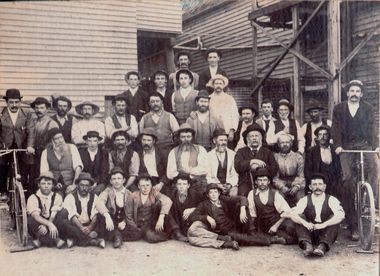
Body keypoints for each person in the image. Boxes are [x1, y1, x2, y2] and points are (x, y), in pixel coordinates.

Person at [331, 80, 379, 240]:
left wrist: (375, 146)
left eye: (358, 91)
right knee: (348, 180)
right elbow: (335, 128)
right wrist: (337, 145)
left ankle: (370, 199)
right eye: (352, 91)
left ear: (361, 94)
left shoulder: (368, 108)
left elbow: (373, 127)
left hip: (364, 145)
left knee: (375, 165)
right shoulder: (339, 108)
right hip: (346, 147)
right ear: (347, 93)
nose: (354, 94)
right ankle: (353, 225)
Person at [187, 183, 286, 250]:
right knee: (245, 239)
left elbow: (243, 198)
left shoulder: (223, 199)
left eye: (215, 192)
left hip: (235, 224)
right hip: (226, 231)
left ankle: (252, 231)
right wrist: (206, 217)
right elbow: (192, 217)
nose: (213, 195)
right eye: (211, 193)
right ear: (207, 195)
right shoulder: (204, 205)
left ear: (219, 193)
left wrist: (242, 209)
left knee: (241, 205)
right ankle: (273, 240)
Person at [290, 173, 345, 257]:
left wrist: (324, 225)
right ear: (310, 187)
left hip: (325, 233)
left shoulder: (331, 199)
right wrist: (305, 223)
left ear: (324, 186)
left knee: (334, 218)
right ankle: (308, 246)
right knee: (299, 217)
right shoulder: (305, 200)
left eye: (320, 184)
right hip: (309, 232)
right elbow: (292, 214)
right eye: (314, 184)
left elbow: (341, 215)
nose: (317, 187)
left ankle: (322, 247)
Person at [0, 89, 35, 200]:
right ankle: (3, 191)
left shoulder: (27, 114)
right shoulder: (1, 114)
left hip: (22, 147)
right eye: (11, 102)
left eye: (16, 102)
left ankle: (23, 193)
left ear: (20, 102)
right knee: (1, 167)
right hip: (5, 146)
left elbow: (31, 131)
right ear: (7, 103)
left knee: (25, 168)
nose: (14, 105)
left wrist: (30, 146)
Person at [95, 167, 143, 248]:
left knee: (138, 233)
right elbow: (99, 202)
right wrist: (107, 216)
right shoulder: (107, 191)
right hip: (111, 221)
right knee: (101, 217)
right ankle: (117, 237)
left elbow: (131, 212)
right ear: (110, 181)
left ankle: (115, 236)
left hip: (123, 222)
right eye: (114, 179)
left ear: (123, 180)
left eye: (119, 178)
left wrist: (124, 222)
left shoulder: (129, 194)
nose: (116, 181)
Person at [248, 168, 297, 245]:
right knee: (288, 239)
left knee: (291, 230)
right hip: (264, 226)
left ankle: (276, 237)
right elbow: (252, 214)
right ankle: (274, 239)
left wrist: (276, 226)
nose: (262, 183)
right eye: (260, 180)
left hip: (279, 222)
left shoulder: (275, 194)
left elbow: (287, 212)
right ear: (256, 182)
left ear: (268, 181)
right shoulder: (252, 194)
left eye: (264, 180)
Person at [56, 172, 105, 248]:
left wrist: (90, 228)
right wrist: (82, 228)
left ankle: (75, 239)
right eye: (82, 185)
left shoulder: (94, 197)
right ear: (77, 185)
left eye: (87, 185)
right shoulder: (70, 197)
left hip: (90, 225)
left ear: (90, 187)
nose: (84, 188)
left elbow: (96, 215)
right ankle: (92, 241)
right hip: (76, 226)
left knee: (104, 216)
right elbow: (72, 216)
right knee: (63, 221)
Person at [124, 173, 172, 243]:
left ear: (151, 185)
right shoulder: (132, 196)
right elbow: (128, 216)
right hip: (138, 224)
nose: (145, 188)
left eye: (147, 185)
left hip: (150, 223)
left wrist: (161, 217)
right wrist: (135, 228)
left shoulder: (154, 193)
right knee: (134, 234)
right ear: (138, 186)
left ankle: (168, 234)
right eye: (143, 185)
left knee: (151, 237)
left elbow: (167, 200)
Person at [234, 123, 278, 197]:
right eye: (251, 136)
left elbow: (274, 169)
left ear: (261, 138)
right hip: (246, 184)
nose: (254, 138)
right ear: (247, 139)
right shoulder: (241, 151)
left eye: (257, 136)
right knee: (242, 199)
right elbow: (238, 166)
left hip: (264, 183)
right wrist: (251, 162)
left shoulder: (268, 152)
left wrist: (260, 167)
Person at [27, 171, 65, 248]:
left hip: (53, 222)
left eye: (49, 184)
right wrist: (48, 224)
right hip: (40, 222)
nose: (46, 186)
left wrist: (48, 225)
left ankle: (40, 240)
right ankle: (55, 240)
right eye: (43, 184)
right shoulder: (33, 197)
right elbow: (35, 216)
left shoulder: (57, 197)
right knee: (30, 221)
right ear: (39, 185)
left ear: (53, 185)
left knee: (63, 214)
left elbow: (54, 215)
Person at [167, 123, 209, 194]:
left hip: (198, 183)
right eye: (183, 137)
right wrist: (184, 178)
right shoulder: (173, 152)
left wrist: (189, 171)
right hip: (180, 184)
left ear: (192, 137)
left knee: (202, 196)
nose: (186, 140)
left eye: (188, 136)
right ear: (179, 138)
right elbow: (170, 174)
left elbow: (205, 169)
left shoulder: (200, 149)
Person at [40, 128, 83, 195]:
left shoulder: (72, 148)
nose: (60, 141)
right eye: (57, 139)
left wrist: (74, 184)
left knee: (71, 198)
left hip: (71, 184)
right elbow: (44, 172)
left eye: (61, 137)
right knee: (57, 198)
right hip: (55, 187)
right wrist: (54, 183)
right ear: (52, 141)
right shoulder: (45, 152)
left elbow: (78, 168)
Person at [31, 97, 59, 192]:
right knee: (33, 179)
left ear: (47, 109)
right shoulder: (34, 122)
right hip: (34, 156)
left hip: (46, 155)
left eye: (42, 108)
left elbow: (55, 143)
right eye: (37, 108)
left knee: (45, 179)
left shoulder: (52, 124)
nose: (39, 110)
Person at [304, 125, 341, 198]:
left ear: (329, 136)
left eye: (325, 134)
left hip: (334, 182)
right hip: (318, 181)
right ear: (317, 137)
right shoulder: (311, 151)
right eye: (320, 135)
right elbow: (307, 171)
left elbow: (339, 169)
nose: (322, 137)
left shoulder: (335, 149)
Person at [139, 92, 179, 157]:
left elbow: (176, 133)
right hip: (150, 151)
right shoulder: (144, 118)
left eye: (157, 101)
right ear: (149, 103)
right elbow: (141, 134)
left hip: (166, 149)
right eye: (152, 102)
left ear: (162, 102)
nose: (155, 104)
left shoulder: (169, 116)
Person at [167, 173, 203, 242]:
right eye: (179, 184)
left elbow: (204, 205)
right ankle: (177, 233)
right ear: (176, 185)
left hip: (190, 223)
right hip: (178, 223)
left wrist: (193, 209)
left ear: (188, 185)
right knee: (166, 208)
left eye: (184, 184)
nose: (181, 186)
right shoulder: (172, 196)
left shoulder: (195, 195)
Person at [273, 134, 305, 207]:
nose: (285, 144)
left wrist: (296, 186)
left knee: (300, 199)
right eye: (282, 142)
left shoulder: (298, 157)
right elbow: (275, 176)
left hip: (296, 183)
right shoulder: (275, 157)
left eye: (287, 142)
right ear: (278, 144)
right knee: (279, 199)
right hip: (280, 184)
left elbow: (301, 175)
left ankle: (299, 217)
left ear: (291, 144)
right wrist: (281, 187)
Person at [137, 128, 171, 195]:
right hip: (144, 183)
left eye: (149, 140)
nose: (146, 143)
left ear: (154, 141)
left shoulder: (162, 153)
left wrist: (161, 184)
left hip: (160, 182)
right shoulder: (138, 155)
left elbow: (167, 171)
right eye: (144, 140)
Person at [208, 75, 239, 145]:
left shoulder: (229, 98)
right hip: (213, 131)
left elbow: (234, 115)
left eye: (220, 83)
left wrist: (232, 131)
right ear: (213, 85)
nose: (218, 85)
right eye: (216, 83)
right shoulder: (209, 98)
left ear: (223, 85)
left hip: (227, 131)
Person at [207, 129, 239, 196]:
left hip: (229, 184)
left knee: (234, 193)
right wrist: (217, 185)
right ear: (214, 141)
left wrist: (229, 185)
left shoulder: (233, 154)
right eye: (221, 140)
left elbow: (235, 173)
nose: (223, 142)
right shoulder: (208, 156)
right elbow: (208, 175)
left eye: (225, 140)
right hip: (215, 184)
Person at [79, 131, 109, 195]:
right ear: (86, 142)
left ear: (98, 142)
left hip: (100, 181)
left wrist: (95, 183)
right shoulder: (81, 153)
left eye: (95, 141)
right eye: (89, 141)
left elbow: (104, 172)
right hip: (85, 181)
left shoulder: (104, 153)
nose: (92, 144)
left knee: (96, 191)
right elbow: (81, 170)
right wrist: (87, 183)